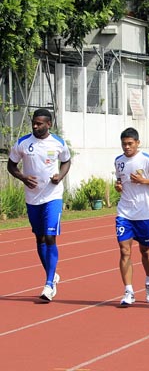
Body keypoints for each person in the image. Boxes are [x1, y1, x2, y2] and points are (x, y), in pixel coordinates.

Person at [7, 109, 71, 302]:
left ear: (48, 124)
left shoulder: (58, 143)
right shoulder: (23, 143)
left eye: (39, 123)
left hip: (53, 197)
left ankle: (49, 284)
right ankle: (52, 274)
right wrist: (23, 178)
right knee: (40, 238)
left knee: (50, 237)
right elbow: (11, 166)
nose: (35, 126)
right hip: (32, 199)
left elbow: (67, 161)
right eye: (34, 123)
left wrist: (60, 176)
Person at [113, 127, 149, 306]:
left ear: (137, 143)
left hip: (144, 212)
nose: (126, 147)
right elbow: (120, 181)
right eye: (124, 144)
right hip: (124, 212)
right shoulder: (118, 161)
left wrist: (144, 181)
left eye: (130, 144)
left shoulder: (148, 160)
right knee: (124, 250)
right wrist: (118, 186)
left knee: (145, 250)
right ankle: (128, 291)